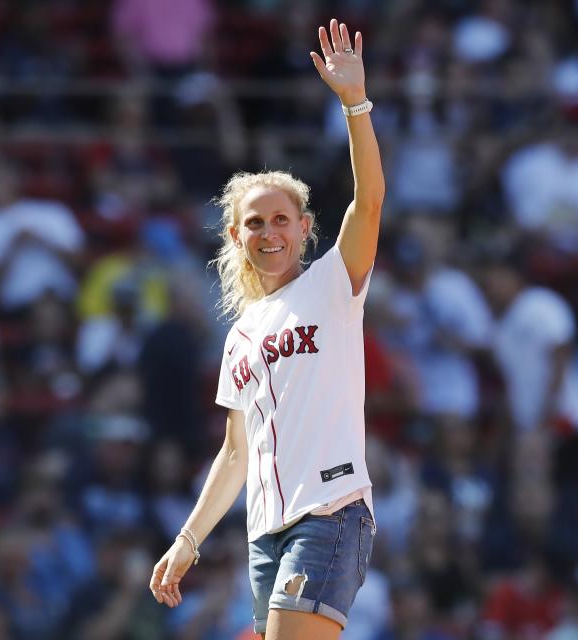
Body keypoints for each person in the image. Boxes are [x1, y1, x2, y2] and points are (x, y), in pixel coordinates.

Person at [149, 18, 385, 640]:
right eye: (254, 223)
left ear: (305, 229)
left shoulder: (334, 283)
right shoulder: (240, 336)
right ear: (236, 237)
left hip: (329, 511)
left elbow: (370, 202)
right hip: (265, 532)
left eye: (282, 219)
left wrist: (354, 103)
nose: (269, 232)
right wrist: (188, 540)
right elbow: (235, 452)